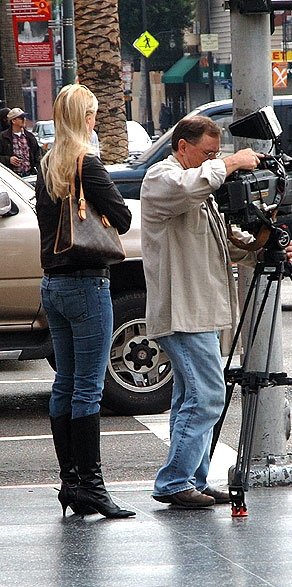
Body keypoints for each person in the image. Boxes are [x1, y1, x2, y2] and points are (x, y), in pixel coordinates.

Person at [141, 116, 292, 509]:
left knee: (189, 399)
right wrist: (231, 162)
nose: (213, 158)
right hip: (181, 312)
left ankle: (191, 477)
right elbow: (189, 186)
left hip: (202, 313)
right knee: (208, 396)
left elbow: (233, 247)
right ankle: (174, 481)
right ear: (182, 147)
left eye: (216, 152)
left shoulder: (202, 190)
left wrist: (267, 238)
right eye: (207, 152)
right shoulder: (163, 179)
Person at [35, 84, 135, 519]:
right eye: (92, 115)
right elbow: (125, 218)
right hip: (87, 285)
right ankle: (91, 487)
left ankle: (70, 483)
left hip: (52, 285)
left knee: (65, 383)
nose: (96, 121)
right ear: (84, 119)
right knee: (88, 390)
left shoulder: (46, 163)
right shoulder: (85, 162)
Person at [0, 107, 41, 176]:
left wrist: (38, 172)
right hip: (11, 176)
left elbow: (37, 157)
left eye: (24, 117)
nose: (24, 120)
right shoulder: (3, 137)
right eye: (21, 118)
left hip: (29, 174)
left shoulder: (30, 137)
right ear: (13, 121)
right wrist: (9, 159)